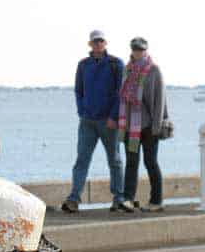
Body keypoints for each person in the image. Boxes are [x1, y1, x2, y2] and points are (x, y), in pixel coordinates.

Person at [62, 30, 125, 213]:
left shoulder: (116, 64)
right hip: (87, 121)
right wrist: (82, 110)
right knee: (81, 160)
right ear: (90, 44)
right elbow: (78, 91)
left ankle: (118, 198)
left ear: (106, 43)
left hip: (108, 122)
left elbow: (120, 92)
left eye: (101, 41)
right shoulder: (83, 65)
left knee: (114, 160)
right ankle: (74, 198)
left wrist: (114, 116)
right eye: (94, 42)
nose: (98, 44)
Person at [117, 37, 167, 213]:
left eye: (141, 49)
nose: (138, 52)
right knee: (131, 162)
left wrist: (157, 125)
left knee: (150, 162)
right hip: (130, 127)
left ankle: (156, 200)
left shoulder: (153, 70)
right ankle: (128, 199)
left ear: (146, 50)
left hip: (149, 126)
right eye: (135, 49)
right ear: (131, 50)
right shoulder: (127, 70)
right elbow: (123, 98)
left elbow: (160, 100)